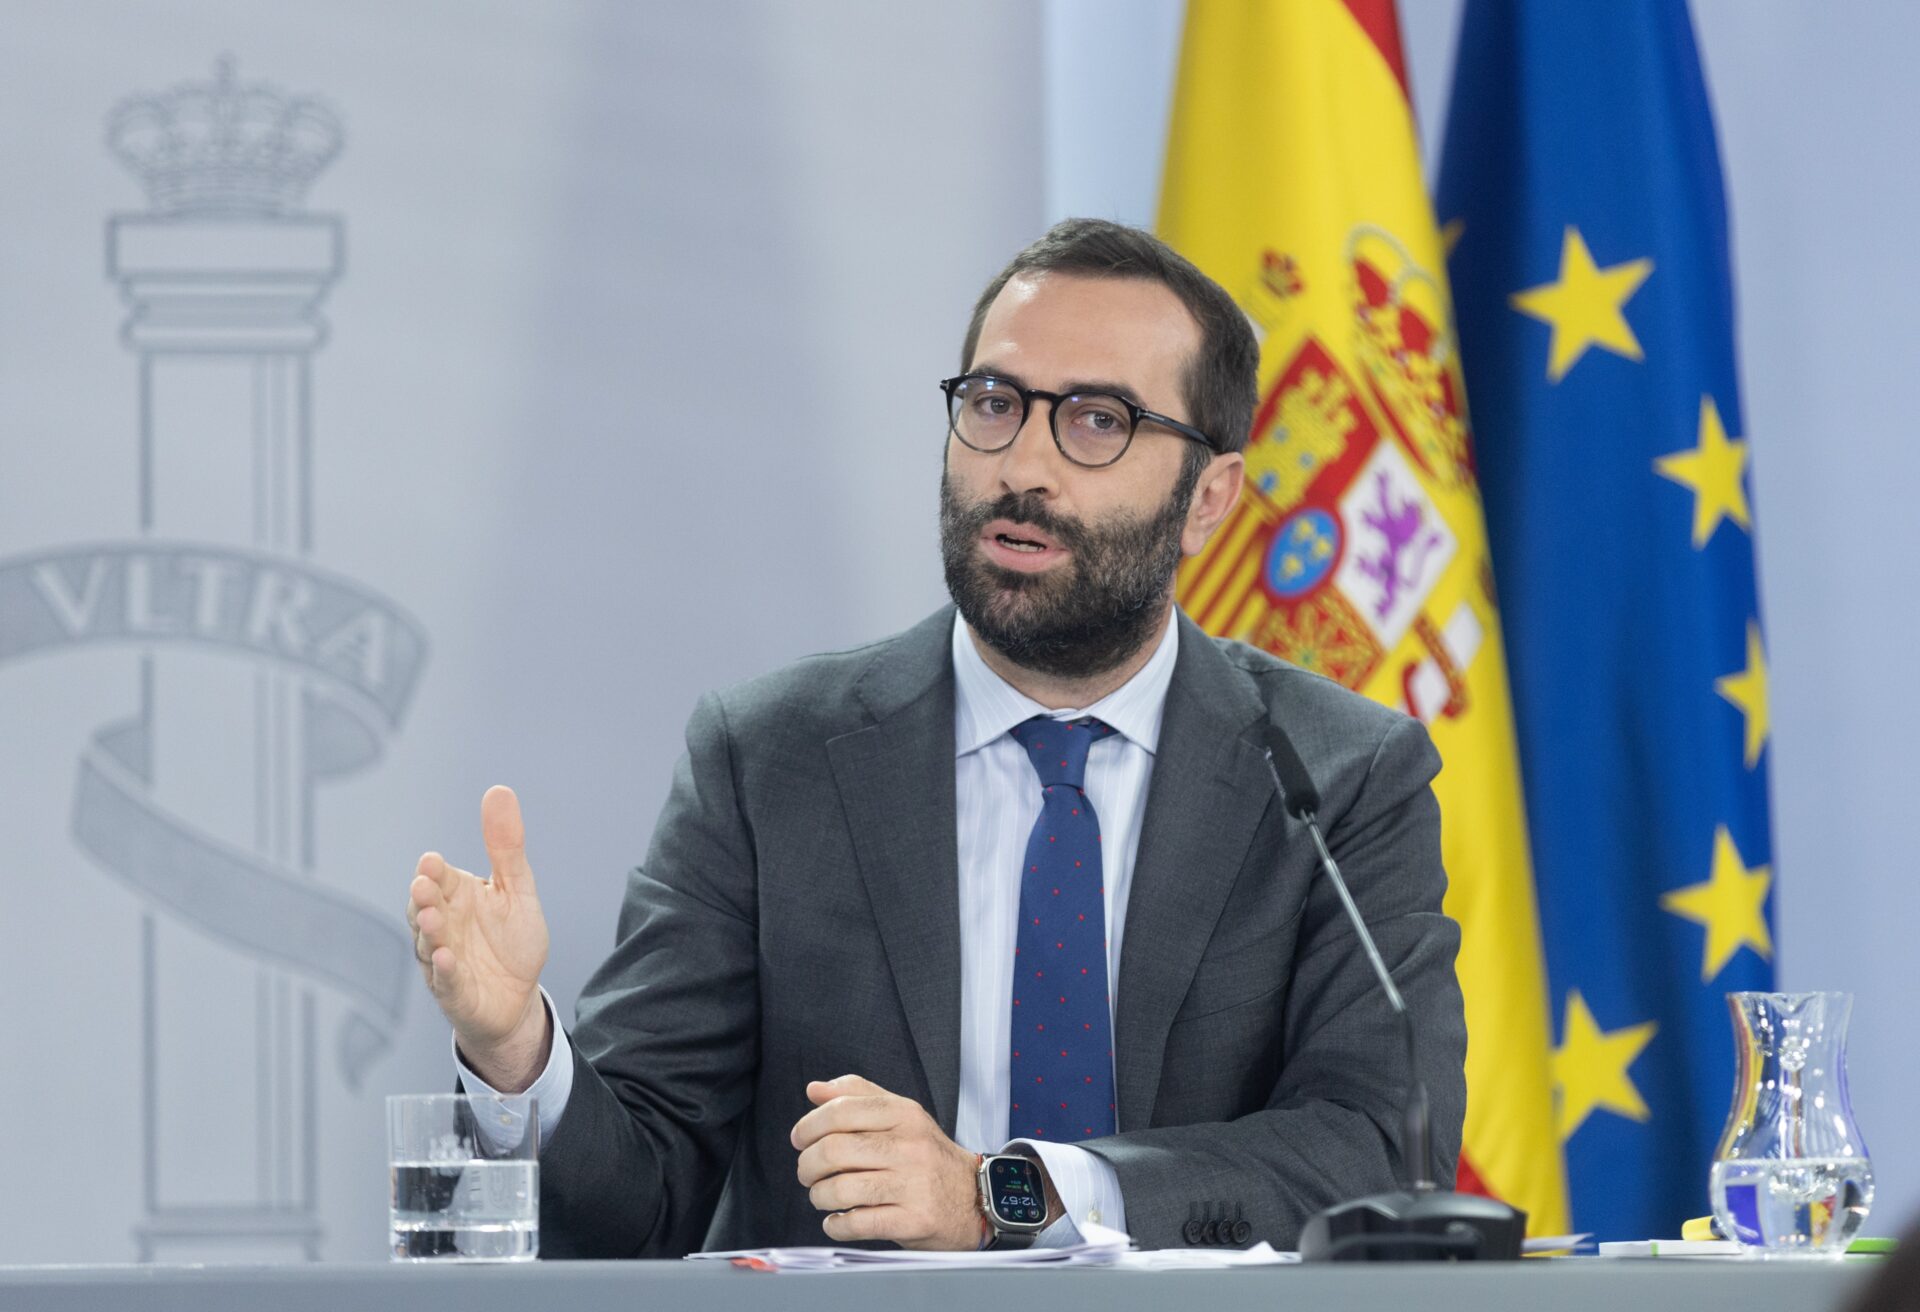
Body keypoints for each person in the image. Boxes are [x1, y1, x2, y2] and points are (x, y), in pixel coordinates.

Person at [405, 218, 1466, 1258]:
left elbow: (1379, 1149)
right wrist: (517, 1050)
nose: (1024, 466)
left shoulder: (1338, 775)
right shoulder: (770, 759)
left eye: (1097, 420)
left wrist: (1003, 1194)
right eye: (995, 404)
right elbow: (638, 1204)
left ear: (1208, 498)